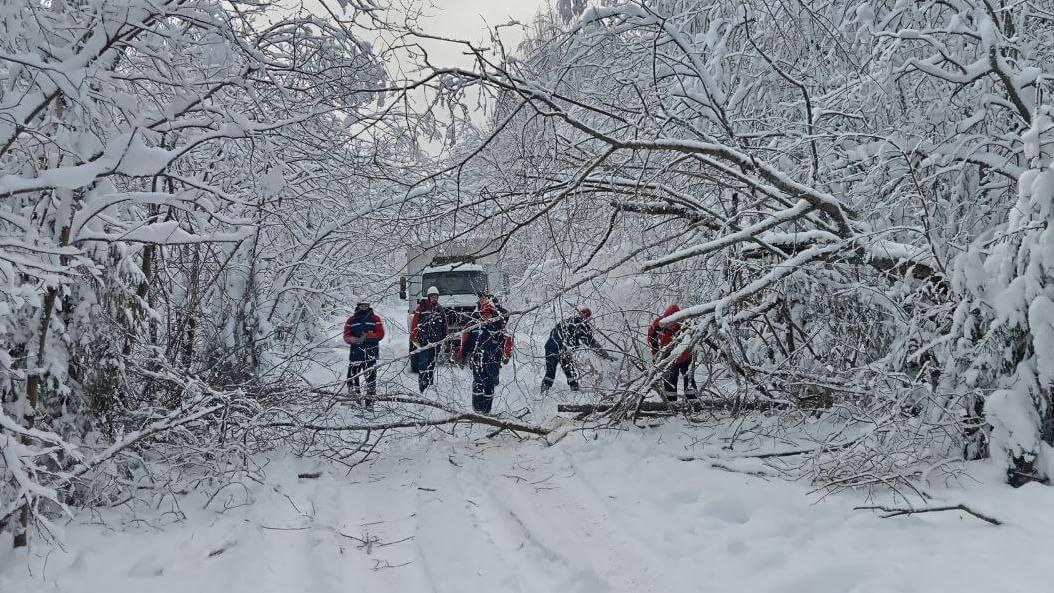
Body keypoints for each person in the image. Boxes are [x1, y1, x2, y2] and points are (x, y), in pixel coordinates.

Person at [457, 300, 513, 413]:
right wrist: (461, 355)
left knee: (489, 384)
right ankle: (477, 410)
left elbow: (508, 340)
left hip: (493, 360)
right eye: (483, 314)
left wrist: (506, 354)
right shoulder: (473, 325)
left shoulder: (499, 326)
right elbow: (465, 341)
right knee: (478, 383)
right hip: (478, 359)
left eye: (488, 314)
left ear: (492, 313)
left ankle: (486, 411)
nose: (485, 316)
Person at [541, 307, 613, 393]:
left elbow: (553, 332)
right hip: (563, 348)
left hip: (550, 346)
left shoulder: (567, 321)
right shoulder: (582, 325)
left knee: (551, 370)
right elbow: (591, 342)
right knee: (569, 369)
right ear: (587, 318)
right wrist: (605, 355)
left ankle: (544, 390)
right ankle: (574, 389)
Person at [647, 304, 697, 401]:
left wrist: (689, 353)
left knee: (688, 377)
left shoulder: (685, 323)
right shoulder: (658, 324)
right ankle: (671, 402)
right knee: (670, 379)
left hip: (685, 355)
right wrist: (655, 355)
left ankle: (692, 401)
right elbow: (651, 339)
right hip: (667, 356)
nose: (672, 326)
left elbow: (692, 338)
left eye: (674, 324)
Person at [344, 297, 385, 408]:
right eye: (362, 305)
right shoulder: (351, 320)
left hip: (371, 354)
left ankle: (369, 403)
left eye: (366, 305)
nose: (364, 307)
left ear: (369, 305)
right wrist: (356, 340)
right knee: (352, 378)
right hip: (355, 354)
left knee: (371, 379)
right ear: (358, 305)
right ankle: (355, 400)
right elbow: (346, 336)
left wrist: (368, 336)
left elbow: (381, 334)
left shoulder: (375, 319)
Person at [411, 286, 449, 393]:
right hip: (424, 342)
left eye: (435, 296)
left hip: (436, 342)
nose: (434, 298)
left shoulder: (440, 309)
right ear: (428, 297)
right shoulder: (421, 308)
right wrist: (414, 338)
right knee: (423, 363)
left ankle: (430, 384)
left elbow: (445, 325)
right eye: (432, 296)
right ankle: (422, 385)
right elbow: (415, 324)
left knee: (432, 363)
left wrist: (444, 338)